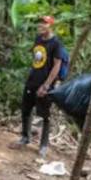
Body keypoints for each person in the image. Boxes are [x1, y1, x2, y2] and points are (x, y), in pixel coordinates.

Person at [12, 16, 67, 159]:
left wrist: (47, 85)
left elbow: (57, 66)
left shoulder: (56, 44)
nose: (41, 25)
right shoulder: (38, 38)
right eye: (40, 22)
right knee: (26, 109)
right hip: (32, 80)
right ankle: (25, 137)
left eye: (44, 23)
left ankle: (43, 145)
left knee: (45, 116)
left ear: (51, 26)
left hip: (45, 84)